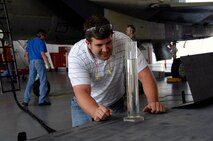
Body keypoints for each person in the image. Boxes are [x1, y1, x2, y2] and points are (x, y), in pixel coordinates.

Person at [68, 15, 166, 127]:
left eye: (108, 43)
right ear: (88, 43)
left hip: (116, 103)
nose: (105, 49)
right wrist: (95, 110)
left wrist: (153, 102)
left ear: (112, 36)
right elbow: (81, 91)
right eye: (99, 45)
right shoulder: (77, 54)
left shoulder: (124, 41)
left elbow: (145, 74)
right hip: (85, 105)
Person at [22, 29, 51, 106]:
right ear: (41, 35)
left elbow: (26, 53)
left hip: (32, 62)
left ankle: (25, 100)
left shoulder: (30, 42)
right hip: (39, 62)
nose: (45, 37)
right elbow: (42, 53)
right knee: (43, 80)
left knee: (30, 81)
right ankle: (41, 101)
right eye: (44, 35)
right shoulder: (41, 42)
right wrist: (48, 64)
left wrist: (29, 62)